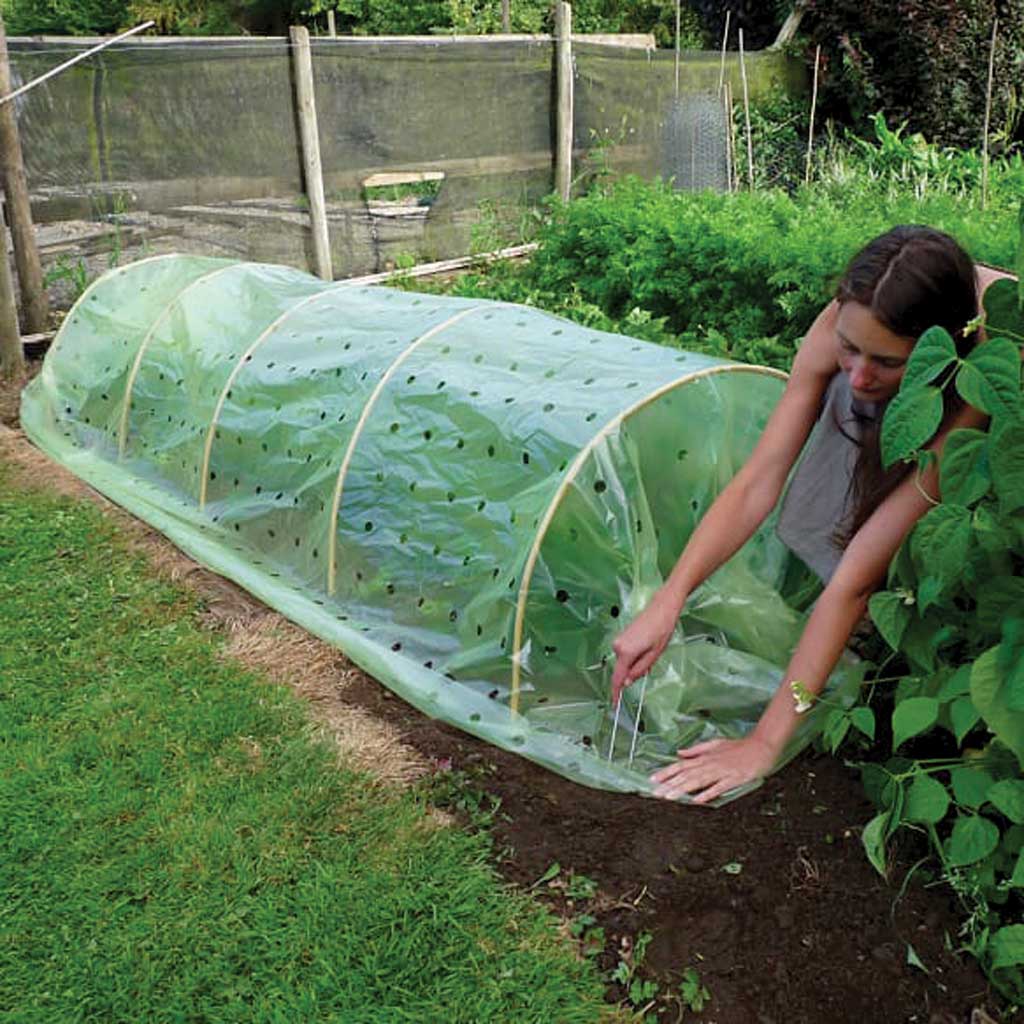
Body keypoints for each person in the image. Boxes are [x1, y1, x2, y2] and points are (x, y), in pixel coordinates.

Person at [610, 225, 1015, 805]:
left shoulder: (989, 361)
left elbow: (857, 577)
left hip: (987, 381)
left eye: (886, 361)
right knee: (855, 410)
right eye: (850, 349)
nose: (858, 373)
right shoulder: (846, 320)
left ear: (940, 347)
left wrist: (765, 741)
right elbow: (757, 483)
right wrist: (668, 600)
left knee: (920, 529)